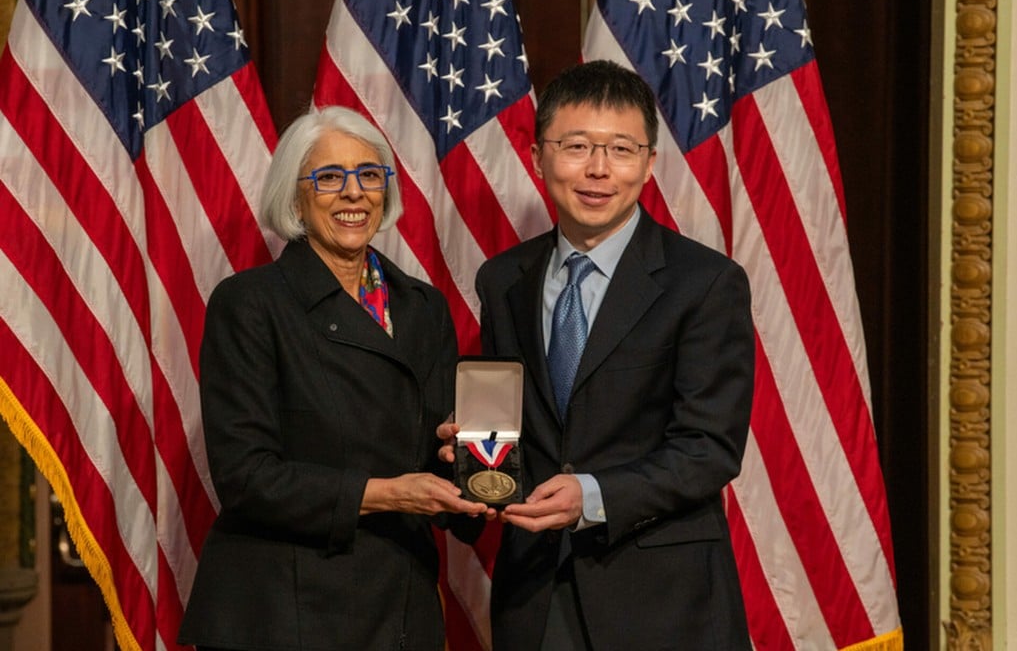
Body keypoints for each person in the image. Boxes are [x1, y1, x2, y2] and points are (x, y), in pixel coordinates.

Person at [441, 60, 755, 650]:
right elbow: (510, 427)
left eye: (621, 149)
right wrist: (469, 460)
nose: (598, 169)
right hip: (535, 595)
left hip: (662, 601)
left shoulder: (705, 283)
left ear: (649, 163)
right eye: (577, 146)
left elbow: (709, 448)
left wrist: (590, 495)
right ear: (538, 156)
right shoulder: (503, 280)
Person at [178, 106, 490, 651]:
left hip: (399, 609)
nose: (354, 193)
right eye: (329, 178)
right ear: (295, 197)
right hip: (283, 614)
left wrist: (467, 461)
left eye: (370, 175)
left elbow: (438, 449)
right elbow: (246, 477)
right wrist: (387, 494)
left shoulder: (423, 308)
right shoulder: (250, 304)